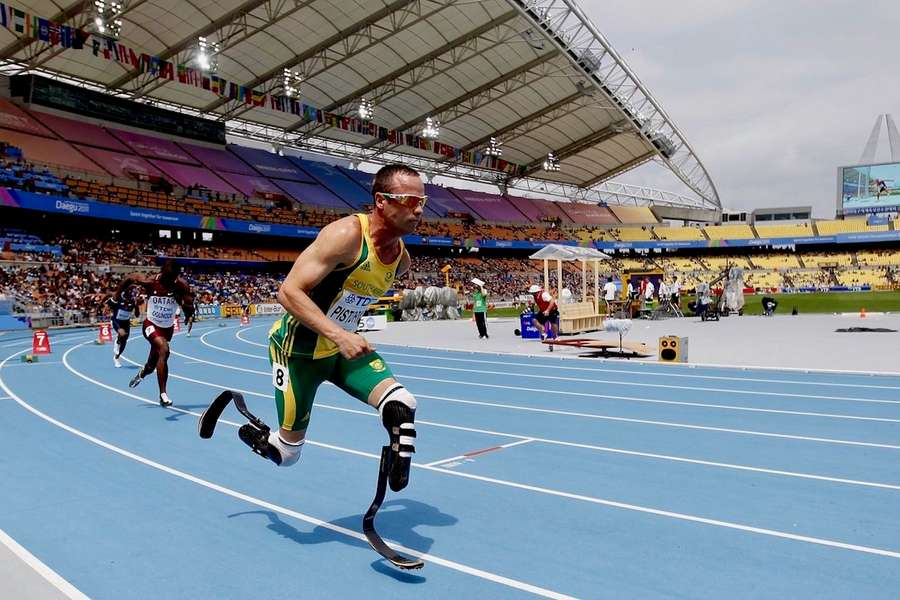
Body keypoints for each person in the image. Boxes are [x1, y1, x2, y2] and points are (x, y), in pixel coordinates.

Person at [208, 163, 425, 493]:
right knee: (287, 454)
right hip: (299, 352)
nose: (420, 208)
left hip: (342, 351)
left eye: (424, 200)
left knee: (402, 403)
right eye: (411, 200)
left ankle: (396, 471)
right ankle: (256, 434)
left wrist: (343, 334)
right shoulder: (346, 235)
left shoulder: (401, 258)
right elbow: (288, 291)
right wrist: (339, 334)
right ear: (382, 201)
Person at [118, 259, 195, 406]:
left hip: (167, 328)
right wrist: (116, 296)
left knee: (151, 365)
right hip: (151, 324)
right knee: (164, 350)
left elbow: (189, 303)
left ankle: (141, 374)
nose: (172, 281)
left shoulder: (181, 285)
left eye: (174, 278)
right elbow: (129, 279)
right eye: (169, 278)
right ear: (163, 274)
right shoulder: (150, 282)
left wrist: (189, 313)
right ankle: (163, 394)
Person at [105, 286, 138, 369]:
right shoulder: (118, 298)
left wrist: (136, 306)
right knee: (121, 333)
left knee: (124, 341)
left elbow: (137, 315)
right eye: (130, 297)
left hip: (126, 322)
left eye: (132, 297)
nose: (130, 299)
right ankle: (117, 340)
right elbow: (108, 303)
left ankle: (116, 357)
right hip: (116, 321)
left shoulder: (133, 301)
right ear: (126, 294)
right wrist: (106, 310)